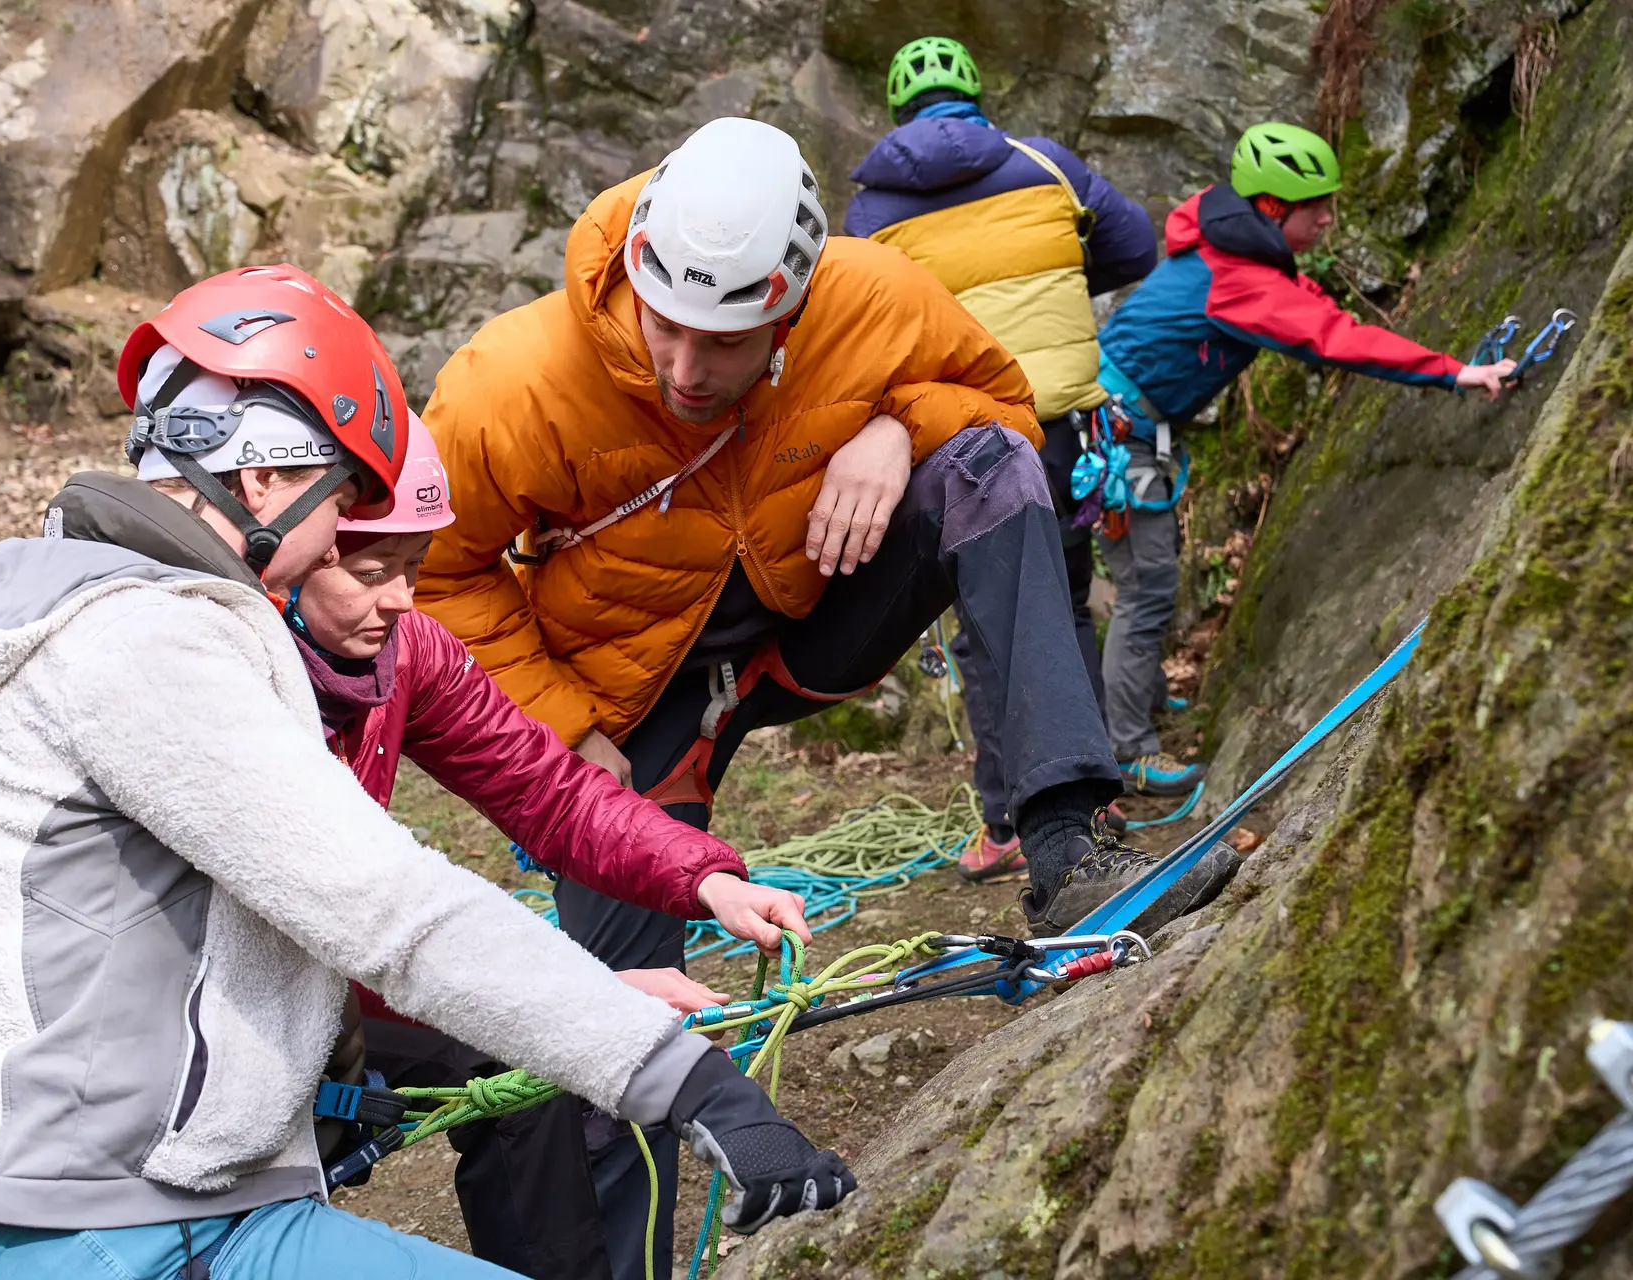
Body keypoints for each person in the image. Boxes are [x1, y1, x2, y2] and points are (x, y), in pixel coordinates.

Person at [0, 264, 850, 1280]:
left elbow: (522, 801)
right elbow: (388, 904)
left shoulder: (97, 618)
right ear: (263, 479)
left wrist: (643, 939)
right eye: (343, 505)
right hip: (96, 1230)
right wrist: (678, 1074)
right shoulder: (139, 643)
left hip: (128, 1202)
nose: (352, 544)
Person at [417, 116, 1240, 1280]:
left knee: (985, 468)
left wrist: (902, 432)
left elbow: (1006, 411)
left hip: (813, 618)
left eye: (729, 341)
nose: (687, 371)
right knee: (603, 1024)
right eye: (667, 329)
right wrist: (569, 734)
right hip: (623, 699)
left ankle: (1063, 844)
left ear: (793, 311)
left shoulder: (875, 295)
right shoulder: (514, 384)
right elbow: (437, 578)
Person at [282, 415, 814, 1278]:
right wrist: (574, 992)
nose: (401, 600)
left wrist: (706, 878)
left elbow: (548, 791)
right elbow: (361, 903)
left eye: (416, 569)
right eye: (372, 571)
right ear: (287, 558)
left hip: (342, 979)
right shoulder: (224, 676)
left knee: (526, 1064)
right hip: (227, 1011)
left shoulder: (406, 652)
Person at [1091, 122, 1518, 793]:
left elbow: (1311, 307)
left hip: (1133, 426)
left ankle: (1134, 698)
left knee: (1153, 575)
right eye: (1315, 205)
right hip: (1116, 433)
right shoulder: (1237, 280)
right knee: (1146, 585)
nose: (1328, 217)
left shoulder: (1236, 249)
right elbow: (1331, 338)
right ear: (1269, 208)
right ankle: (1128, 750)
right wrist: (1452, 373)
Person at [843, 35, 1161, 875]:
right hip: (1056, 425)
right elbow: (1135, 248)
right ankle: (1097, 792)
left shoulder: (874, 207)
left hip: (956, 440)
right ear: (976, 94)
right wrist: (1052, 274)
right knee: (1065, 603)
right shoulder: (1045, 163)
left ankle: (1006, 823)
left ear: (899, 111)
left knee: (988, 628)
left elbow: (856, 324)